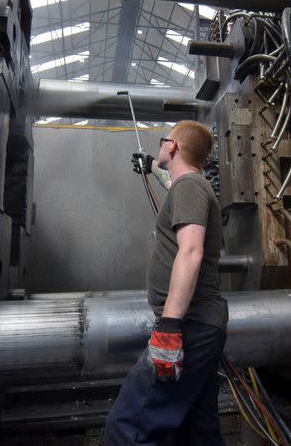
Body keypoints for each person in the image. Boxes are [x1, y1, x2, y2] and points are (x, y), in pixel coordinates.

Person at [104, 120, 228, 446]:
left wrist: (170, 327)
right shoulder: (190, 187)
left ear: (172, 147)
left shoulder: (189, 187)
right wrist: (151, 168)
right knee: (196, 432)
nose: (160, 147)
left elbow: (190, 250)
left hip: (189, 326)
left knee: (126, 427)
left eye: (163, 142)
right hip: (201, 324)